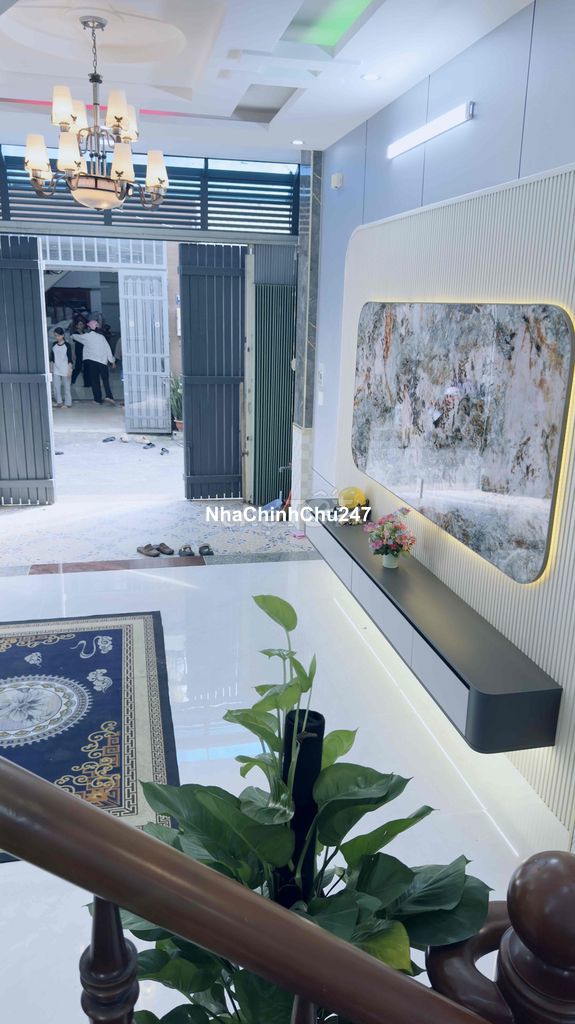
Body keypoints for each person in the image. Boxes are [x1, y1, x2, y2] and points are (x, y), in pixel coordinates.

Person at [72, 319, 116, 405]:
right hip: (103, 362)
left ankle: (97, 400)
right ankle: (109, 396)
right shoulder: (101, 337)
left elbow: (75, 336)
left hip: (92, 362)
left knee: (95, 381)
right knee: (105, 380)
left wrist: (74, 334)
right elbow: (108, 349)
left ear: (89, 328)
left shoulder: (86, 336)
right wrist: (112, 361)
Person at [50, 327, 73, 408]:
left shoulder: (67, 345)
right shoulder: (54, 344)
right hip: (56, 369)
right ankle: (59, 402)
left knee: (67, 387)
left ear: (63, 335)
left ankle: (68, 403)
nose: (57, 337)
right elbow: (52, 358)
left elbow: (70, 359)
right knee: (56, 387)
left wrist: (69, 370)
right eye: (55, 336)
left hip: (65, 369)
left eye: (58, 336)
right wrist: (51, 368)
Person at [71, 315, 87, 386]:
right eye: (80, 324)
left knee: (86, 368)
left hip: (85, 352)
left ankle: (87, 383)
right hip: (78, 352)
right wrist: (73, 353)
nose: (81, 326)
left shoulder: (84, 333)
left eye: (82, 324)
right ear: (76, 326)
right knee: (78, 367)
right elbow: (73, 345)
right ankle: (72, 380)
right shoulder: (75, 334)